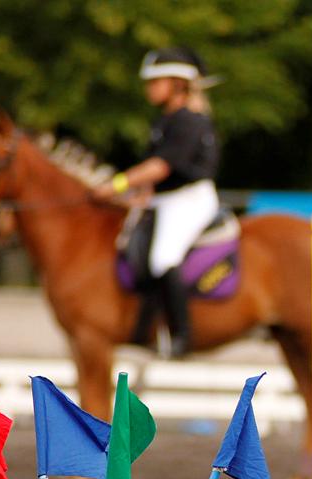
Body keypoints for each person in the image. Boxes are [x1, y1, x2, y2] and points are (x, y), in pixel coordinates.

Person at [92, 47, 220, 358]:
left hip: (189, 199)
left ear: (177, 83)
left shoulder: (188, 120)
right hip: (165, 199)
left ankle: (182, 335)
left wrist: (116, 184)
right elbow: (158, 175)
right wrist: (137, 195)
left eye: (156, 81)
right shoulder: (165, 121)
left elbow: (161, 166)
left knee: (163, 257)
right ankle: (145, 327)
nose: (149, 87)